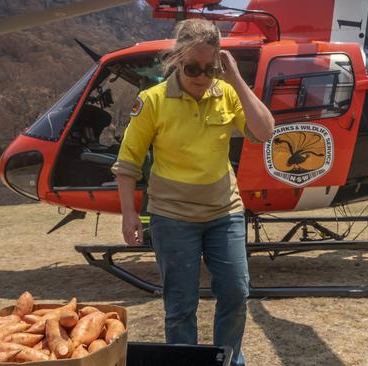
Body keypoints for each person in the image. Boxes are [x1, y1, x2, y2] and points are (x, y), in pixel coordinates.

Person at [111, 19, 274, 366]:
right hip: (173, 218)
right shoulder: (152, 101)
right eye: (192, 68)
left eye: (209, 68)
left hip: (223, 213)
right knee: (181, 304)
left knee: (235, 292)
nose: (201, 77)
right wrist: (128, 213)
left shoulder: (226, 92)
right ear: (176, 60)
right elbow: (128, 163)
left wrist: (236, 78)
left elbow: (263, 131)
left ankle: (228, 359)